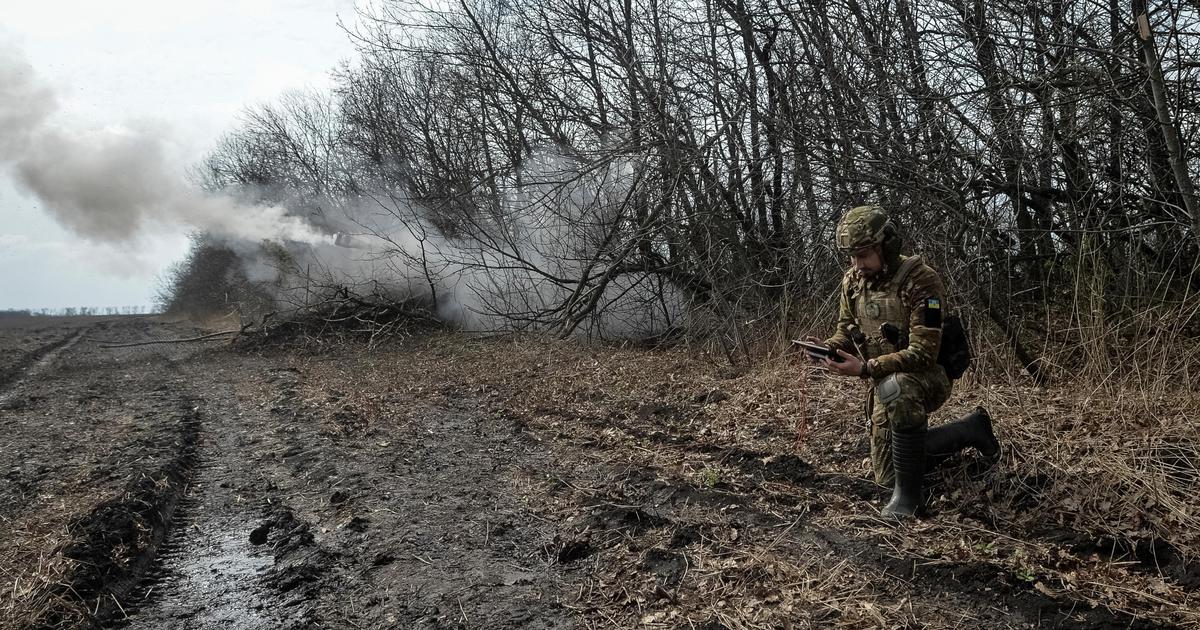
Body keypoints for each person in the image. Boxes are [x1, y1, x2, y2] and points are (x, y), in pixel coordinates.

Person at [805, 204, 999, 518]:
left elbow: (923, 354)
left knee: (898, 388)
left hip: (927, 377)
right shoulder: (853, 282)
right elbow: (846, 330)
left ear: (887, 246)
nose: (857, 264)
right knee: (887, 477)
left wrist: (865, 369)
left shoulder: (922, 281)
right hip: (886, 381)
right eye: (852, 257)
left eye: (864, 255)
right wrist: (827, 347)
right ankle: (971, 429)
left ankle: (910, 502)